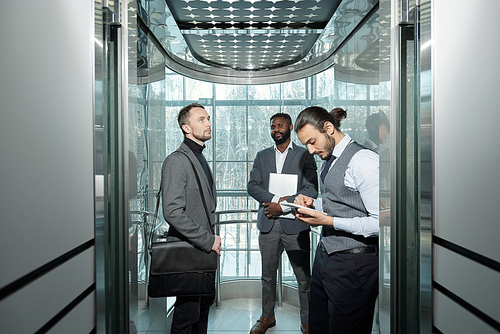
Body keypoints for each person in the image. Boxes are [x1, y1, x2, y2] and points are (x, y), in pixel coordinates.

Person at [293, 106, 379, 334]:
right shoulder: (330, 158)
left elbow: (379, 223)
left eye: (312, 141)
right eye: (306, 145)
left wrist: (328, 221)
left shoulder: (364, 160)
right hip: (327, 258)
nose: (310, 150)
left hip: (355, 264)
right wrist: (313, 204)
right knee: (319, 325)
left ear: (328, 128)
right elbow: (343, 203)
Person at [247, 113, 318, 334]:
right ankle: (267, 316)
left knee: (303, 278)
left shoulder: (305, 155)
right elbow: (253, 186)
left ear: (289, 127)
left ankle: (307, 321)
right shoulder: (261, 156)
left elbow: (311, 189)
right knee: (267, 276)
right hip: (268, 223)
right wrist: (275, 201)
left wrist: (284, 207)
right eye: (272, 126)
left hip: (296, 225)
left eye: (280, 125)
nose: (276, 129)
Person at [160, 103, 221, 334]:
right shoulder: (177, 160)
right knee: (187, 315)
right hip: (190, 251)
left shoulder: (199, 157)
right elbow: (173, 211)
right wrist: (209, 240)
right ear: (186, 128)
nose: (208, 123)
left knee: (202, 310)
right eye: (201, 120)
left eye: (208, 118)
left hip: (202, 253)